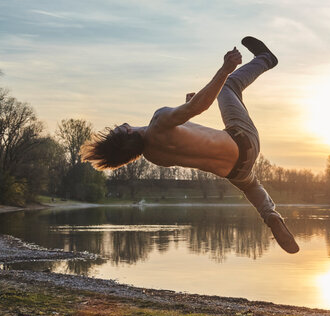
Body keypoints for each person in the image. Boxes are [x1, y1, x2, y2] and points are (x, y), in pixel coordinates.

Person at [81, 36, 299, 254]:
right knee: (229, 86)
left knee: (251, 186)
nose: (115, 126)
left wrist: (185, 109)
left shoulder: (154, 156)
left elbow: (189, 144)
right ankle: (266, 59)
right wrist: (225, 70)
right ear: (125, 131)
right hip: (244, 140)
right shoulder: (158, 121)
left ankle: (270, 214)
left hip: (235, 169)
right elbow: (199, 106)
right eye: (114, 130)